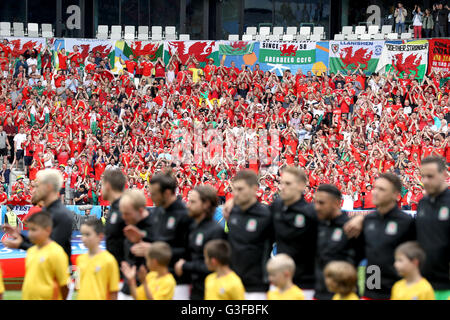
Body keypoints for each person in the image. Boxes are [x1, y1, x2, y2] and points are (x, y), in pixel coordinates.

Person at [344, 173, 416, 300]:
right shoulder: (368, 220)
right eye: (375, 188)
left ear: (396, 195)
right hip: (372, 289)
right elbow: (356, 256)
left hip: (398, 291)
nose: (375, 192)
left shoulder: (406, 222)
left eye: (382, 189)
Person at [131, 172, 193, 300]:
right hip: (155, 278)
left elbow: (188, 251)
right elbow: (153, 240)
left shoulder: (185, 215)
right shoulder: (157, 212)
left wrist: (153, 250)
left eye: (154, 194)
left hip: (178, 283)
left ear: (167, 193)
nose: (150, 196)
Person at [2, 169, 73, 263]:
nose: (33, 191)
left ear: (48, 187)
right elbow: (40, 243)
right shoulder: (46, 211)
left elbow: (50, 252)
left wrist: (20, 244)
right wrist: (19, 236)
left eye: (36, 187)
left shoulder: (61, 215)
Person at [225, 170, 273, 300]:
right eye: (234, 189)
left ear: (254, 189)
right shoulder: (231, 213)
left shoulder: (266, 215)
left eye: (240, 189)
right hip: (233, 283)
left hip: (257, 287)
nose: (236, 193)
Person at [270, 166, 317, 299]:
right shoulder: (277, 206)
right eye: (282, 183)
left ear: (302, 185)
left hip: (305, 284)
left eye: (288, 183)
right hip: (281, 282)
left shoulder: (311, 213)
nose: (283, 187)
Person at [174, 185, 227, 300]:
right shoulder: (190, 227)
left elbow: (214, 266)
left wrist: (185, 266)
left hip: (209, 292)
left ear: (206, 204)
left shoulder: (215, 231)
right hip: (191, 290)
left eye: (193, 202)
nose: (188, 205)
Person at [313, 184, 363, 300]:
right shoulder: (317, 225)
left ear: (336, 203)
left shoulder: (351, 227)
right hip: (319, 294)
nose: (317, 207)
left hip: (344, 295)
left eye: (322, 203)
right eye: (316, 202)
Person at [416, 156, 450, 300]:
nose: (425, 181)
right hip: (424, 283)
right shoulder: (423, 204)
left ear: (444, 175)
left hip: (446, 286)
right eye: (423, 176)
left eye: (430, 176)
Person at [21, 210, 69, 300]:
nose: (30, 234)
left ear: (47, 230)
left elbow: (64, 285)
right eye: (29, 229)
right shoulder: (31, 251)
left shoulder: (57, 252)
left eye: (34, 230)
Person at [118, 189, 153, 300]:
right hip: (127, 289)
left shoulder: (155, 225)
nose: (123, 217)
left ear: (140, 211)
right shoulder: (127, 223)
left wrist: (152, 250)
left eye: (127, 213)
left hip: (149, 291)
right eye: (122, 213)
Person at [75, 218, 120, 300]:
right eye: (82, 234)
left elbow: (113, 292)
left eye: (87, 234)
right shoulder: (80, 259)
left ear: (100, 236)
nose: (83, 238)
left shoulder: (109, 261)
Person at [101, 169, 127, 269]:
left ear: (107, 185)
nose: (101, 189)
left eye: (102, 185)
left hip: (124, 275)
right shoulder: (114, 208)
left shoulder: (125, 209)